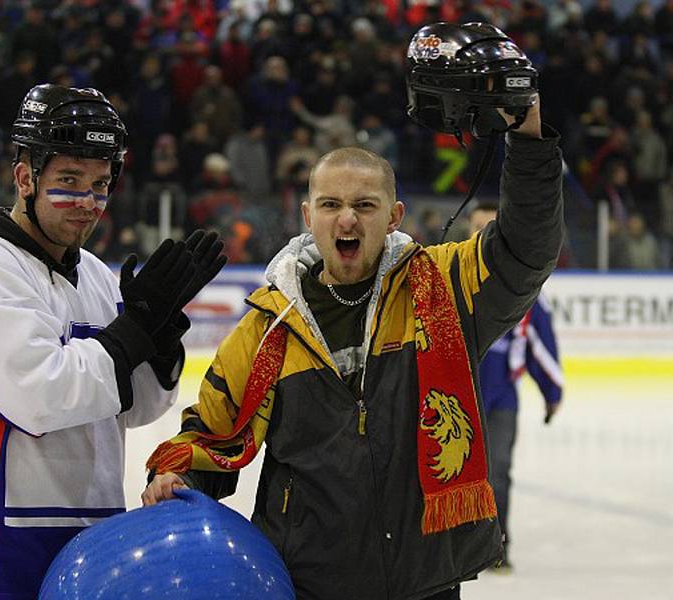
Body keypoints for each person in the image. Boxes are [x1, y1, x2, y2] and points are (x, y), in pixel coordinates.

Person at [143, 92, 564, 599]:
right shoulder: (268, 326)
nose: (347, 220)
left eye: (365, 205)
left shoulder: (442, 289)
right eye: (331, 205)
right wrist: (177, 476)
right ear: (307, 215)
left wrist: (528, 138)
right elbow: (210, 432)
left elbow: (525, 250)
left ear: (394, 216)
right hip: (310, 582)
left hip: (425, 581)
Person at [0, 84, 226, 600]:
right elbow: (38, 395)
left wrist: (158, 337)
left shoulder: (94, 274)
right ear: (25, 176)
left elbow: (133, 406)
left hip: (86, 538)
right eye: (68, 180)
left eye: (100, 184)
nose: (87, 202)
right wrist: (133, 332)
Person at [469, 203, 564, 573]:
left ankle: (497, 544)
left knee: (499, 472)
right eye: (475, 227)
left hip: (502, 397)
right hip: (456, 395)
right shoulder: (448, 278)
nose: (480, 235)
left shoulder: (520, 287)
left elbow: (542, 343)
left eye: (487, 227)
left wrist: (552, 392)